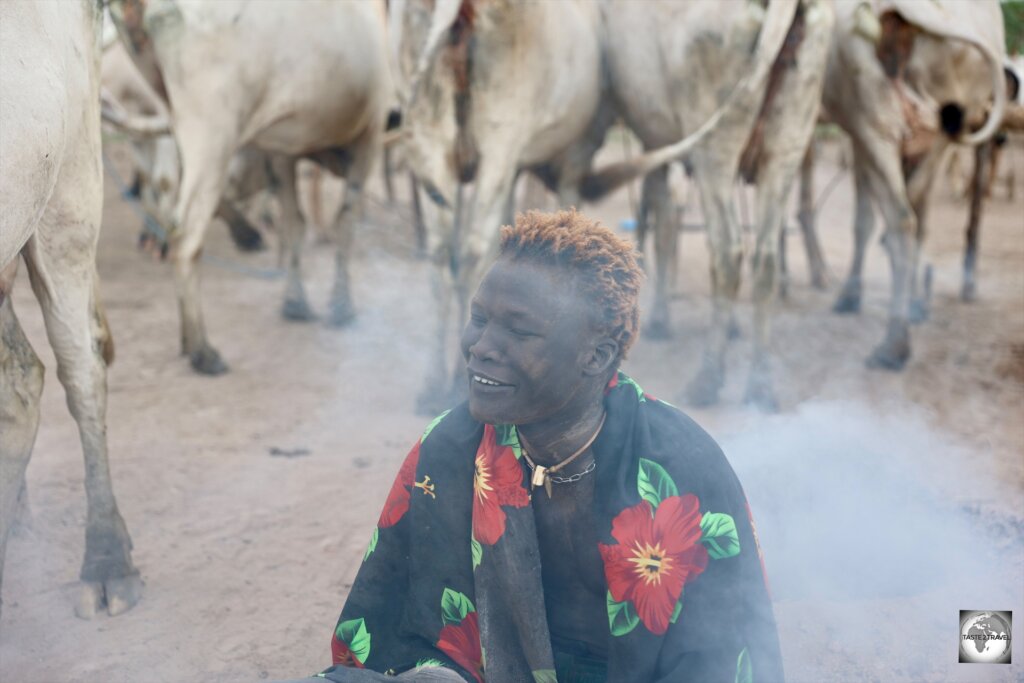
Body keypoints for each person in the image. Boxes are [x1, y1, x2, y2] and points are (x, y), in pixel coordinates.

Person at [297, 209, 783, 682]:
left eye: (519, 330)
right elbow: (408, 632)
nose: (481, 346)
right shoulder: (454, 445)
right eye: (479, 318)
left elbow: (722, 657)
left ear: (596, 355)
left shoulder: (680, 469)